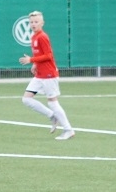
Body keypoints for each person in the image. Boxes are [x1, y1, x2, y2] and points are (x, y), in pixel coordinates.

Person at [18, 11, 74, 140]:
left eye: (36, 22)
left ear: (42, 23)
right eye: (31, 22)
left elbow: (49, 55)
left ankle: (68, 130)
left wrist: (31, 60)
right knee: (26, 99)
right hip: (40, 75)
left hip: (49, 74)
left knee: (52, 102)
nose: (33, 24)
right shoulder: (34, 37)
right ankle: (52, 116)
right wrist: (35, 64)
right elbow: (39, 54)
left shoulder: (43, 37)